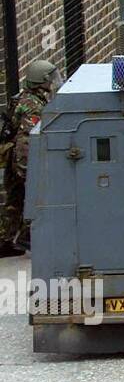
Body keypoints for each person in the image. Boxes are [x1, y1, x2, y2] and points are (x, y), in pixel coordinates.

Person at [0, 60, 59, 256]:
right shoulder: (33, 106)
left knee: (14, 200)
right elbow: (26, 140)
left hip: (13, 157)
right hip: (22, 159)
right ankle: (25, 236)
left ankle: (6, 241)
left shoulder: (24, 98)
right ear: (42, 81)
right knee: (33, 197)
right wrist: (29, 171)